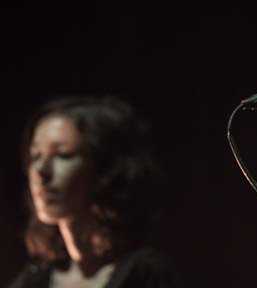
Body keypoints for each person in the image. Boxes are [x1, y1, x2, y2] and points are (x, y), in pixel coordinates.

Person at [9, 96, 181, 288]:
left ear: (105, 169)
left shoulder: (143, 273)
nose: (41, 171)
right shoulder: (37, 277)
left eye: (63, 155)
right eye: (36, 156)